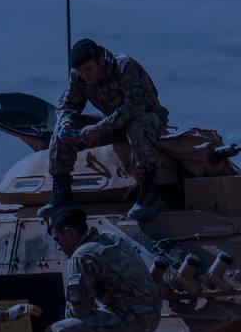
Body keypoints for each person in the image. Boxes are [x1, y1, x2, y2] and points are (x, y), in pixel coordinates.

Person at [40, 38, 170, 221]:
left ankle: (150, 191)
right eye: (81, 71)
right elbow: (67, 105)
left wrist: (100, 128)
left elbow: (136, 106)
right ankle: (61, 191)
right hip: (112, 124)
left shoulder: (124, 67)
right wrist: (66, 123)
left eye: (88, 69)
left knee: (137, 125)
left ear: (101, 61)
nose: (85, 75)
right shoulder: (79, 76)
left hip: (149, 118)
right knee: (62, 129)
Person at [43, 207, 161, 332]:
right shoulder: (109, 238)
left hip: (133, 322)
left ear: (69, 233)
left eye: (58, 239)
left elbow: (80, 310)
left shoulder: (81, 256)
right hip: (151, 317)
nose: (58, 247)